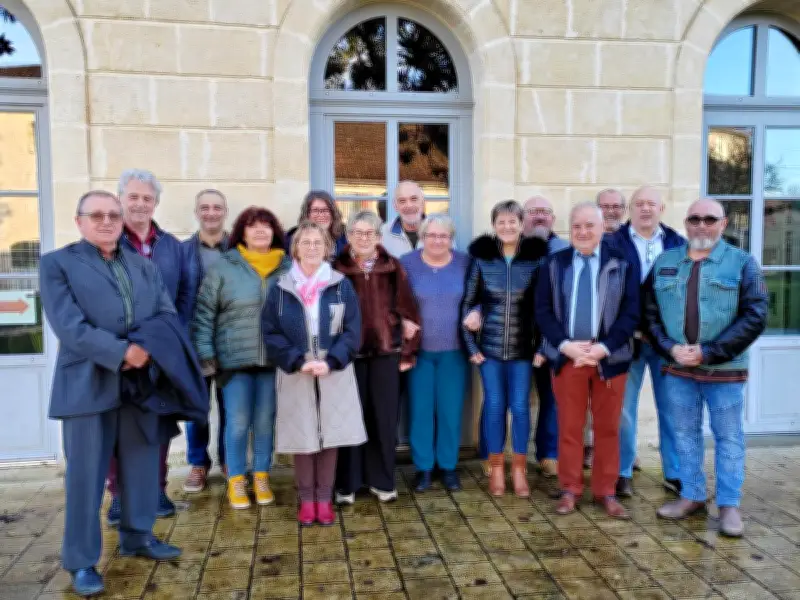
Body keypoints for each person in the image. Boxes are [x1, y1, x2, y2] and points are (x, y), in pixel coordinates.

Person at [41, 191, 204, 597]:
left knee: (142, 466)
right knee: (86, 479)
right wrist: (120, 352)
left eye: (113, 215)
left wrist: (146, 348)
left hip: (140, 385)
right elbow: (69, 326)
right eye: (96, 215)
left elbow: (166, 313)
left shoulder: (141, 265)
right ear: (79, 221)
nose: (107, 221)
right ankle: (81, 562)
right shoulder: (57, 264)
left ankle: (138, 536)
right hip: (87, 385)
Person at [645, 199, 767, 537]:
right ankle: (692, 496)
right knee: (684, 434)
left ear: (723, 223)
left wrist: (709, 352)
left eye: (709, 219)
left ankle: (728, 505)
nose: (701, 225)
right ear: (685, 223)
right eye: (694, 219)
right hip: (678, 369)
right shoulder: (665, 262)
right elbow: (649, 315)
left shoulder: (743, 264)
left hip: (724, 371)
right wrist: (670, 348)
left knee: (728, 437)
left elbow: (755, 315)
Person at [536, 202, 639, 519]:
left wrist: (603, 348)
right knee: (570, 426)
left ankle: (606, 491)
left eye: (588, 226)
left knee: (608, 428)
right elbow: (543, 311)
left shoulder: (621, 263)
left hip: (608, 358)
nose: (582, 232)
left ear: (601, 228)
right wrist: (565, 346)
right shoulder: (555, 264)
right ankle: (570, 489)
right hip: (568, 358)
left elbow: (631, 312)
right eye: (576, 226)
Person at [263, 221, 366, 526]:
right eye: (305, 242)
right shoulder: (281, 287)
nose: (311, 248)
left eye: (317, 242)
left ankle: (325, 498)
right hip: (296, 370)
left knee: (330, 435)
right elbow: (270, 332)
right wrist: (297, 360)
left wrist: (332, 360)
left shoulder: (340, 284)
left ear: (327, 248)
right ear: (295, 248)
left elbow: (352, 329)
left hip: (334, 369)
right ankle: (307, 500)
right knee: (303, 435)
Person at [192, 207, 291, 510]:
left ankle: (261, 475)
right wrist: (206, 354)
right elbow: (205, 313)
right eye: (253, 226)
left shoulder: (287, 267)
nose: (260, 231)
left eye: (266, 226)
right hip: (233, 360)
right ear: (242, 233)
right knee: (236, 423)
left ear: (274, 232)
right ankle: (236, 480)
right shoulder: (225, 266)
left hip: (273, 361)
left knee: (264, 423)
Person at [106, 169, 188, 527]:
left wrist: (173, 340)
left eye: (147, 198)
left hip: (162, 352)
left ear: (156, 202)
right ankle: (120, 495)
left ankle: (156, 489)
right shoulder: (107, 243)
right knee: (117, 424)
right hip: (119, 352)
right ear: (121, 198)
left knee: (157, 422)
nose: (140, 204)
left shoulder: (171, 246)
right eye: (134, 197)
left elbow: (185, 294)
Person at [333, 211, 420, 503]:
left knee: (383, 419)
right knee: (350, 418)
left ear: (379, 237)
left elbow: (409, 312)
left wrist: (407, 350)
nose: (363, 238)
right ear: (348, 236)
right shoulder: (336, 269)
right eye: (357, 232)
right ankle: (348, 482)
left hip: (386, 352)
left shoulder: (393, 267)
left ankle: (382, 481)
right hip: (349, 355)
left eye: (369, 233)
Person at [462, 200, 548, 498]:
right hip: (489, 351)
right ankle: (496, 468)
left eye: (513, 221)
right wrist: (471, 344)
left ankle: (519, 469)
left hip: (524, 350)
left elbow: (547, 308)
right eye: (502, 221)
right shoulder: (482, 260)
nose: (507, 227)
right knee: (495, 406)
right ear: (494, 224)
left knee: (521, 408)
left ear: (522, 224)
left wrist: (544, 347)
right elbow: (468, 303)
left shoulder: (536, 259)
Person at [605, 186, 686, 499]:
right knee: (623, 411)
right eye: (639, 204)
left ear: (661, 208)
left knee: (672, 408)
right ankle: (622, 471)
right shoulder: (613, 243)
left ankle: (675, 472)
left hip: (667, 344)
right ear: (630, 209)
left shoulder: (678, 244)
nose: (645, 209)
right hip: (628, 341)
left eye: (651, 204)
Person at [401, 214, 470, 492]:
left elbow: (478, 297)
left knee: (450, 412)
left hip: (454, 351)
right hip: (420, 352)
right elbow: (396, 301)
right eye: (432, 235)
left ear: (450, 239)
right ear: (422, 237)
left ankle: (449, 466)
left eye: (443, 236)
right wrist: (402, 321)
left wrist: (477, 312)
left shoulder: (465, 263)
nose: (437, 241)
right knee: (420, 412)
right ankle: (424, 468)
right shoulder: (407, 263)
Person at [182, 189, 230, 493]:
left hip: (228, 340)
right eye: (204, 207)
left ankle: (228, 460)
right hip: (194, 341)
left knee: (230, 406)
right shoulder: (182, 251)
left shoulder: (237, 250)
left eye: (216, 207)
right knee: (196, 408)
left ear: (225, 212)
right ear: (196, 211)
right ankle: (198, 463)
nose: (210, 212)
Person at [523, 195, 569, 479]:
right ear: (523, 217)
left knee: (551, 398)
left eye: (545, 212)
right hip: (514, 336)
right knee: (508, 400)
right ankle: (499, 454)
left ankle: (548, 455)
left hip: (551, 337)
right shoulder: (511, 247)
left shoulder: (565, 250)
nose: (540, 216)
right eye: (533, 212)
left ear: (553, 218)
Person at [285, 190, 348, 258]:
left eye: (325, 210)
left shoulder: (346, 238)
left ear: (333, 213)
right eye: (315, 210)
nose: (320, 215)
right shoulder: (292, 241)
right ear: (307, 214)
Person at [380, 180, 425, 257]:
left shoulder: (439, 232)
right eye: (402, 201)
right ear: (395, 206)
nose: (409, 205)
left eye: (414, 199)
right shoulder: (382, 234)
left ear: (423, 202)